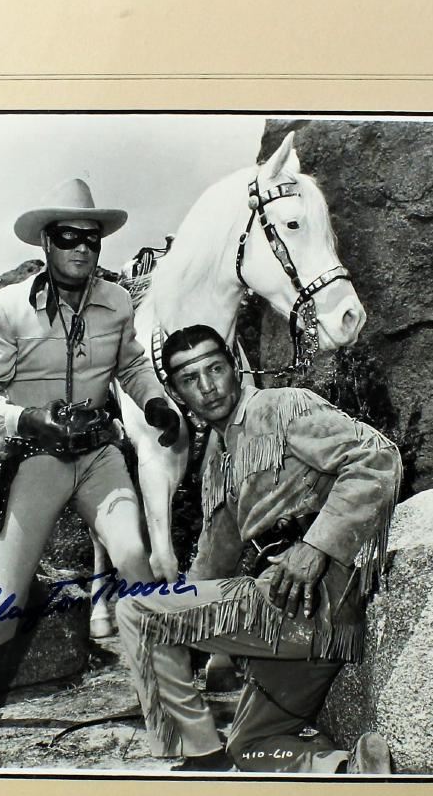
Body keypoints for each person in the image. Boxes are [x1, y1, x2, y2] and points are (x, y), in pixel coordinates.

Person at [115, 324, 402, 773]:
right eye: (190, 378)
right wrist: (175, 616)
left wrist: (316, 545)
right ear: (175, 393)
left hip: (318, 599)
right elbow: (212, 562)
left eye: (215, 369)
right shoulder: (218, 460)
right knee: (250, 748)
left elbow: (378, 458)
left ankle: (200, 754)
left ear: (236, 368)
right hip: (293, 622)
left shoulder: (282, 407)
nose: (207, 387)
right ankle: (348, 770)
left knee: (136, 613)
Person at [0, 177, 180, 738]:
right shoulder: (2, 309)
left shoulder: (118, 301)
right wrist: (30, 419)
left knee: (135, 557)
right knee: (5, 598)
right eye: (68, 237)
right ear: (46, 242)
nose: (82, 248)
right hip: (35, 456)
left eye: (91, 238)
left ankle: (164, 685)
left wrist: (155, 402)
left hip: (98, 454)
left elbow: (132, 365)